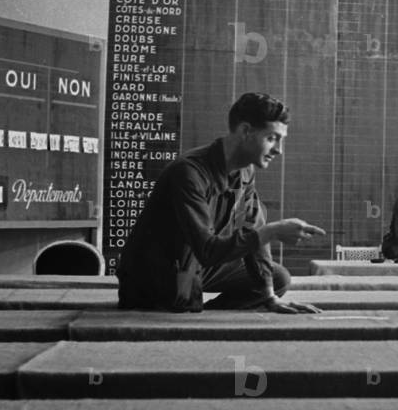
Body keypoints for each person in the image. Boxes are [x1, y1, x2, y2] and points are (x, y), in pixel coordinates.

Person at [117, 92, 325, 312]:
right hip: (156, 274)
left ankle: (210, 309)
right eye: (272, 138)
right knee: (186, 303)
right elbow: (208, 250)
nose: (279, 150)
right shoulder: (189, 173)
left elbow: (253, 228)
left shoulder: (245, 170)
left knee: (277, 278)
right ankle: (191, 306)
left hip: (196, 263)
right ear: (245, 131)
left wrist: (269, 297)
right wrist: (272, 231)